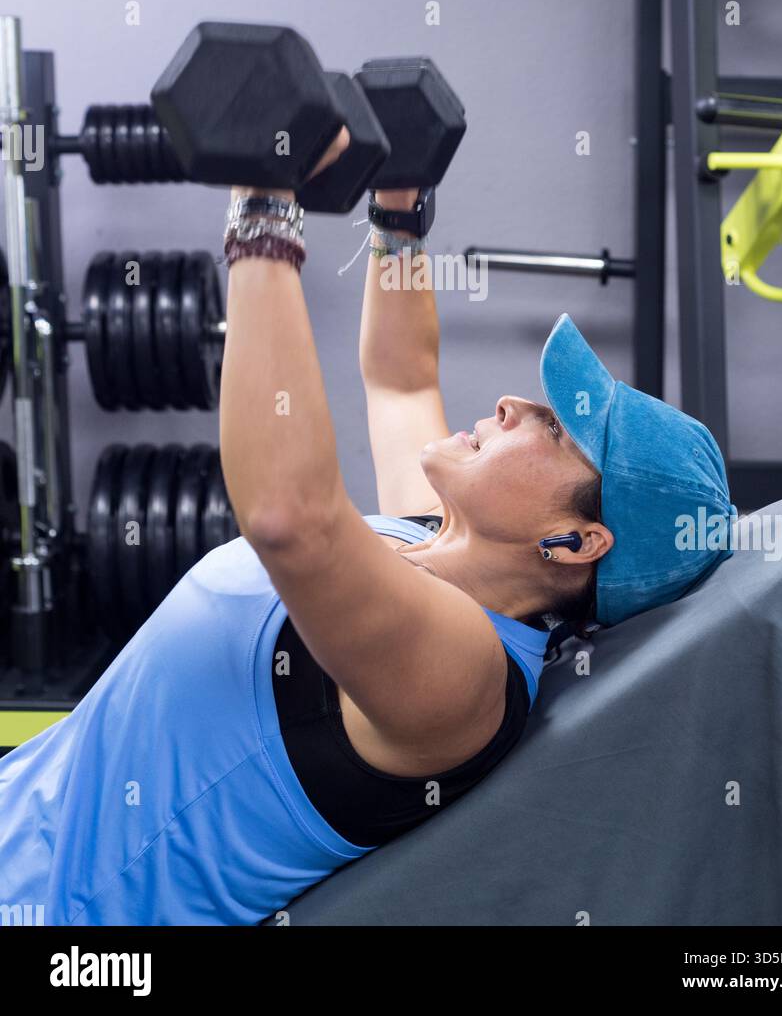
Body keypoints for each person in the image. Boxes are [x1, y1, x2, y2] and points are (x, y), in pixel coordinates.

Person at [0, 131, 735, 925]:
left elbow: (290, 521)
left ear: (578, 542)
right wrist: (399, 209)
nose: (510, 405)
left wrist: (263, 214)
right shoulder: (421, 537)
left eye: (552, 429)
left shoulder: (463, 677)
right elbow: (399, 377)